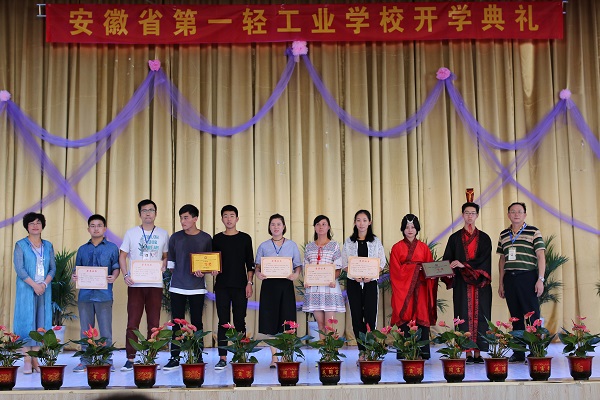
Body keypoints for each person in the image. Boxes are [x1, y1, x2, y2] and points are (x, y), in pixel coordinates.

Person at [119, 199, 169, 371]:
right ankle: (130, 358)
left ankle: (151, 356)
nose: (148, 213)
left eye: (151, 210)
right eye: (144, 210)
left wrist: (165, 263)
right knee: (133, 322)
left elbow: (165, 256)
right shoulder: (131, 233)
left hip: (155, 283)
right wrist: (125, 274)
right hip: (135, 284)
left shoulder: (163, 234)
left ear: (156, 213)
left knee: (154, 323)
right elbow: (122, 256)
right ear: (140, 214)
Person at [163, 204, 213, 370]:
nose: (182, 221)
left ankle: (197, 355)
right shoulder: (175, 238)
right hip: (177, 287)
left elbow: (210, 262)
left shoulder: (206, 238)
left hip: (197, 287)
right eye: (181, 218)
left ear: (195, 218)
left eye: (186, 218)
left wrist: (203, 270)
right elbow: (171, 264)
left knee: (197, 322)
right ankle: (175, 357)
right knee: (176, 323)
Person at [442, 202, 492, 364]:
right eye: (467, 213)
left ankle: (478, 353)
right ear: (462, 215)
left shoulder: (485, 238)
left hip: (480, 285)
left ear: (477, 215)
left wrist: (465, 265)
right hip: (461, 285)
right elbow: (447, 259)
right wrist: (447, 268)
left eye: (473, 213)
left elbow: (484, 261)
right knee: (462, 315)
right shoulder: (454, 238)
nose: (470, 216)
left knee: (482, 316)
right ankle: (467, 353)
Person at [497, 202, 546, 363]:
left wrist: (540, 279)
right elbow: (502, 259)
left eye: (519, 211)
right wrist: (501, 283)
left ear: (525, 214)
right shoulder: (504, 234)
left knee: (532, 316)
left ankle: (536, 351)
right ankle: (518, 353)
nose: (516, 214)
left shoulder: (533, 231)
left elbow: (541, 256)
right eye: (513, 211)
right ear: (508, 215)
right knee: (515, 317)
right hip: (510, 279)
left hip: (528, 277)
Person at [72, 214, 120, 372]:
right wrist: (75, 276)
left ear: (105, 229)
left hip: (104, 294)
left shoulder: (112, 248)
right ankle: (85, 360)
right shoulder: (82, 249)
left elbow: (116, 267)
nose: (96, 228)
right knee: (86, 330)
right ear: (88, 229)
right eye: (92, 226)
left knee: (105, 330)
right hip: (85, 295)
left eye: (99, 225)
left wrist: (114, 276)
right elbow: (77, 269)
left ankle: (107, 360)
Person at [255, 213, 302, 368]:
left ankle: (287, 355)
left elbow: (298, 266)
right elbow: (257, 266)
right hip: (269, 287)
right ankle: (274, 357)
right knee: (270, 321)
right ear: (269, 227)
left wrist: (296, 274)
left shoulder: (291, 245)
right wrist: (258, 274)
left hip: (286, 286)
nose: (276, 227)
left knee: (287, 320)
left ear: (284, 226)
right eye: (273, 224)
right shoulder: (263, 246)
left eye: (278, 224)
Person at [389, 213, 437, 359]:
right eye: (407, 227)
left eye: (413, 227)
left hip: (421, 288)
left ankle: (423, 352)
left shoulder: (424, 248)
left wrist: (435, 273)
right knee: (405, 315)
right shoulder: (397, 248)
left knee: (422, 314)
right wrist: (415, 269)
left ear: (417, 229)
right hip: (404, 289)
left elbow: (430, 268)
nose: (410, 230)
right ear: (402, 229)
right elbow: (395, 271)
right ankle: (405, 352)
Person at [212, 205, 254, 370]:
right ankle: (222, 357)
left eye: (231, 216)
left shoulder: (245, 238)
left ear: (237, 218)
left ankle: (240, 354)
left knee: (239, 321)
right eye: (225, 216)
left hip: (240, 286)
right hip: (222, 286)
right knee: (223, 322)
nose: (228, 219)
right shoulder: (216, 239)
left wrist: (249, 283)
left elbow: (250, 264)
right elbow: (211, 261)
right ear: (221, 219)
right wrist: (211, 269)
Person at [13, 212, 55, 374]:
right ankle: (26, 359)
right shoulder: (21, 245)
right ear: (27, 227)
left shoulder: (48, 246)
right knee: (26, 321)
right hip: (26, 288)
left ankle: (36, 358)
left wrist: (43, 284)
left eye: (38, 222)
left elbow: (52, 268)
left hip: (44, 289)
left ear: (43, 226)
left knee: (40, 322)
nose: (35, 225)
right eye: (31, 223)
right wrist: (34, 285)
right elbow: (20, 269)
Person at [341, 210, 386, 362]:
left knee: (370, 316)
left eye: (364, 220)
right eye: (358, 220)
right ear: (355, 222)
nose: (361, 223)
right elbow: (344, 262)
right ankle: (362, 352)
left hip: (370, 283)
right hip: (353, 283)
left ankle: (370, 350)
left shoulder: (375, 241)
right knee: (356, 317)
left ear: (369, 222)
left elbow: (382, 262)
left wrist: (372, 274)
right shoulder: (349, 241)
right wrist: (354, 274)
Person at [302, 215, 345, 339]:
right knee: (320, 324)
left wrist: (332, 279)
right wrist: (307, 280)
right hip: (314, 290)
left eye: (324, 224)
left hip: (329, 289)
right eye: (318, 224)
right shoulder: (309, 247)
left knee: (329, 325)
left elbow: (338, 268)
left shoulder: (334, 245)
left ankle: (331, 350)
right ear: (314, 227)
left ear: (328, 227)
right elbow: (306, 268)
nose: (321, 227)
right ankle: (324, 350)